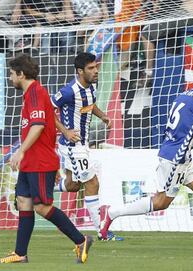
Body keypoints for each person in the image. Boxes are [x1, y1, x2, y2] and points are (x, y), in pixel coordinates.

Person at [100, 62, 193, 254]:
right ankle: (111, 213)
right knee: (161, 202)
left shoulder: (183, 96)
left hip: (183, 156)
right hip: (176, 158)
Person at [0, 54, 93, 264]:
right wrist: (63, 133)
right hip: (33, 160)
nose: (10, 78)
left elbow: (38, 125)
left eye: (12, 74)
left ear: (21, 74)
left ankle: (81, 239)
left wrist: (20, 151)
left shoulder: (35, 93)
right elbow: (49, 120)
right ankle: (20, 253)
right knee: (23, 202)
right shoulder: (33, 93)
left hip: (38, 160)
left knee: (41, 206)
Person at [51, 52, 122, 241]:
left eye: (96, 66)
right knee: (92, 182)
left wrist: (102, 115)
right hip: (72, 146)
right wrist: (65, 131)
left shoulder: (90, 88)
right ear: (80, 71)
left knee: (73, 185)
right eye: (91, 68)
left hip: (82, 145)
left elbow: (90, 105)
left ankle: (41, 188)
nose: (96, 70)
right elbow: (47, 110)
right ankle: (102, 231)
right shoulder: (68, 91)